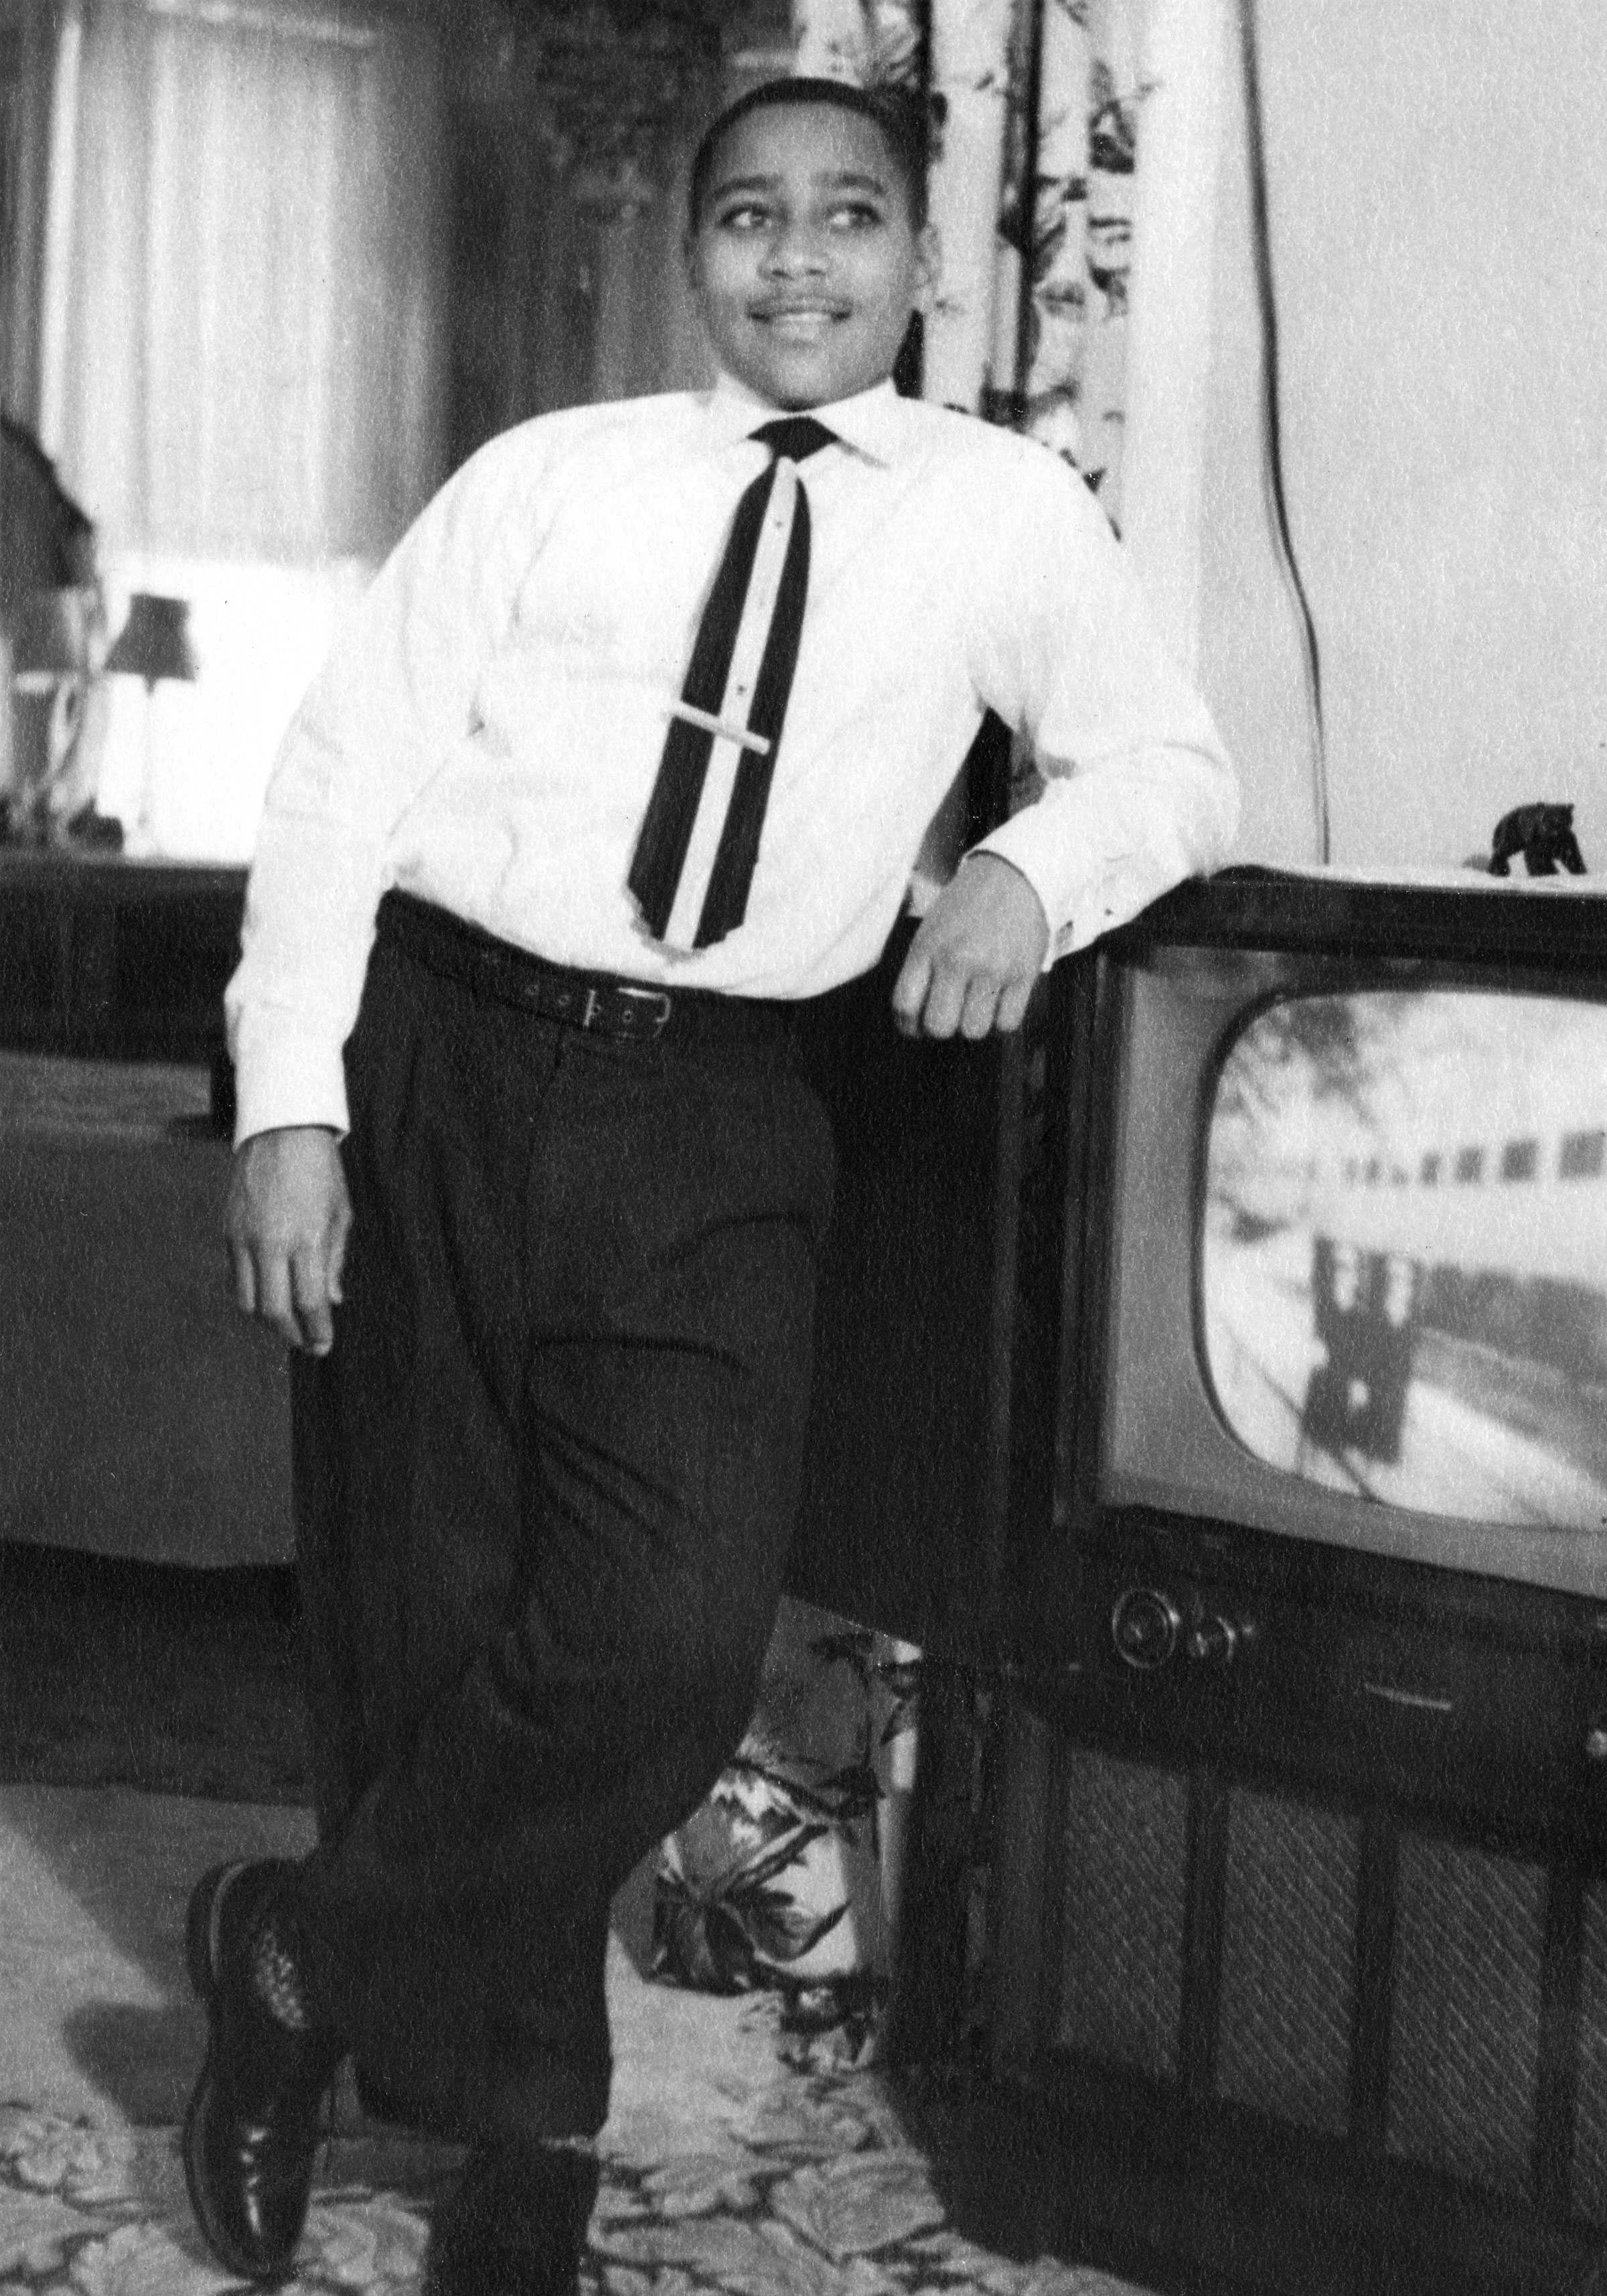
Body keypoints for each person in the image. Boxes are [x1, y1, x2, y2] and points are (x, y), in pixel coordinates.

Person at [185, 72, 1237, 2296]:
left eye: (847, 219)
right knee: (429, 1613)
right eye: (749, 219)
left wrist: (1031, 879)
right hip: (439, 1050)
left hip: (727, 1113)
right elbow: (337, 779)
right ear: (694, 258)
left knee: (661, 1646)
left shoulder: (1007, 507)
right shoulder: (550, 479)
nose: (796, 259)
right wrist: (292, 1104)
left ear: (927, 264)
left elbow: (1170, 763)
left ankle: (294, 1956)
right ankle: (521, 2151)